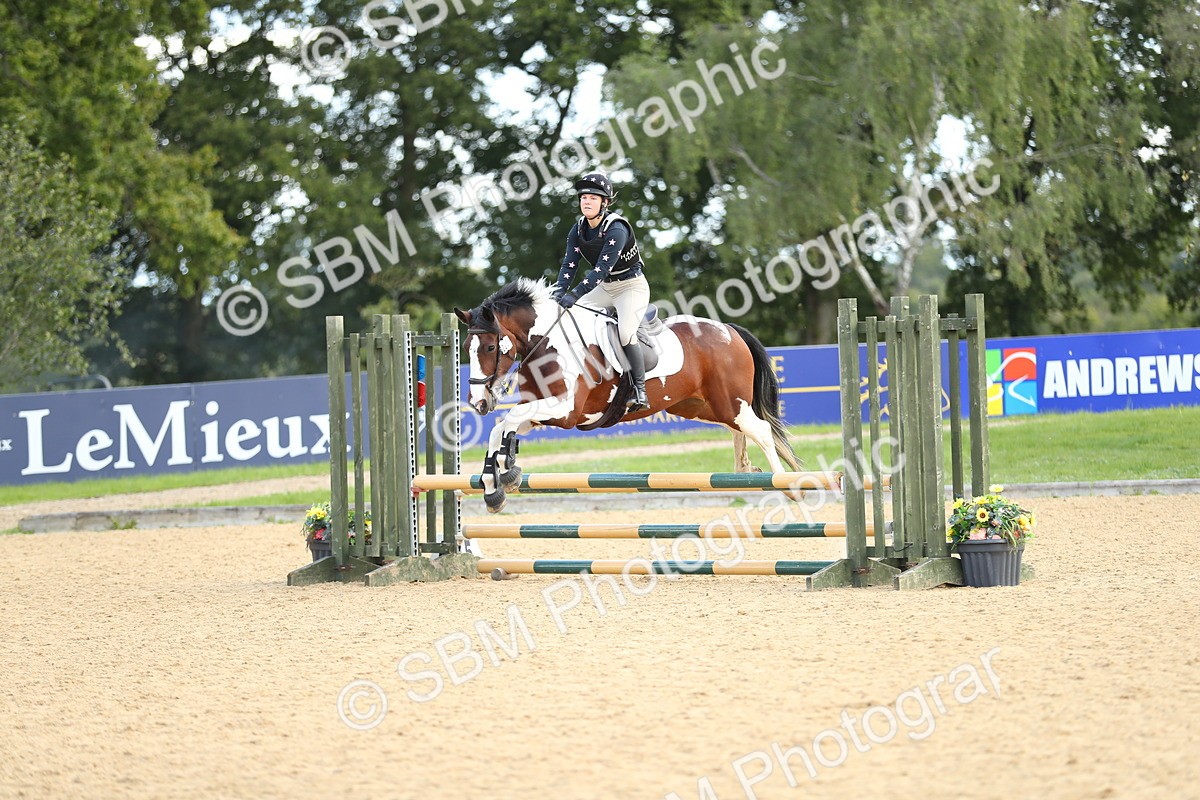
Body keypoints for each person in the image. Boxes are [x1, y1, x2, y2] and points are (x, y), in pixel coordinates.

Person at [553, 171, 651, 413]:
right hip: (605, 288)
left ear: (605, 203)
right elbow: (569, 265)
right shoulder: (578, 230)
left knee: (626, 333)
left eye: (593, 198)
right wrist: (558, 294)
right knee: (570, 317)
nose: (586, 201)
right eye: (583, 197)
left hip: (631, 288)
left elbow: (600, 269)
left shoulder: (616, 228)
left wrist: (574, 295)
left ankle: (640, 390)